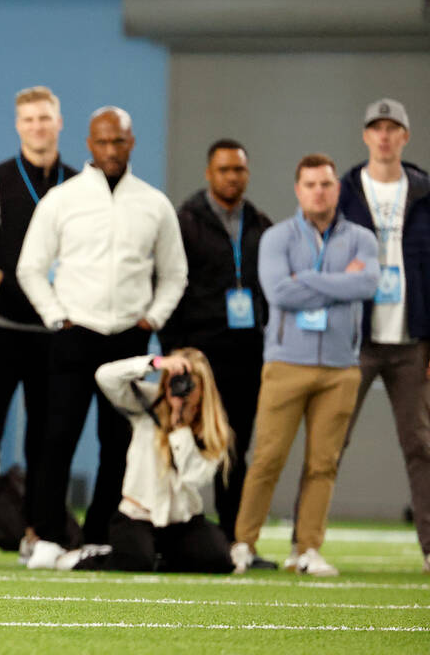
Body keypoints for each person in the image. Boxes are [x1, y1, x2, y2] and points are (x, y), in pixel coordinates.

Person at [17, 106, 187, 568]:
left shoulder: (154, 203)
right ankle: (50, 535)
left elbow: (175, 274)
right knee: (57, 438)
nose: (111, 150)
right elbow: (30, 267)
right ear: (89, 145)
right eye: (103, 142)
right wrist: (55, 316)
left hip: (129, 340)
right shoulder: (62, 199)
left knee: (118, 442)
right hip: (74, 333)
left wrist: (153, 317)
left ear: (132, 144)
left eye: (120, 141)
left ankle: (98, 534)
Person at [230, 153, 379, 577]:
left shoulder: (362, 240)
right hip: (285, 363)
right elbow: (278, 293)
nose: (319, 191)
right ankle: (244, 543)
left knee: (323, 463)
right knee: (267, 457)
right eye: (311, 184)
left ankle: (306, 549)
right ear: (298, 190)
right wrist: (338, 284)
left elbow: (366, 283)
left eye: (326, 184)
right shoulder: (277, 238)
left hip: (340, 367)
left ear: (338, 189)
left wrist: (306, 280)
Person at [303, 99, 430, 573]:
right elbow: (316, 244)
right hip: (355, 339)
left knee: (421, 445)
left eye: (392, 128)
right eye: (376, 128)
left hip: (411, 340)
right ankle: (306, 545)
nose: (383, 136)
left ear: (405, 137)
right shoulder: (345, 190)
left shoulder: (424, 192)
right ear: (364, 136)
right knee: (330, 440)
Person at [0, 85, 79, 563]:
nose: (37, 127)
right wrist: (4, 281)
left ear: (59, 122)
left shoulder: (77, 182)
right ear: (18, 125)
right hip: (0, 325)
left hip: (55, 329)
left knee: (47, 435)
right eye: (28, 119)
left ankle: (35, 530)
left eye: (45, 118)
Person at [159, 140, 274, 565]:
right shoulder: (185, 220)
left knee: (236, 449)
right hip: (197, 356)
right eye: (224, 169)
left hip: (246, 352)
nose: (232, 177)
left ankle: (232, 541)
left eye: (239, 170)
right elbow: (170, 283)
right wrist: (173, 354)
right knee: (180, 441)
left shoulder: (260, 223)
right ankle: (169, 537)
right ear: (209, 173)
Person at [66, 349, 235, 573]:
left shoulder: (212, 430)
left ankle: (161, 559)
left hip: (182, 521)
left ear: (204, 389)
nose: (181, 390)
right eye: (175, 381)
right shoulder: (147, 405)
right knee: (137, 562)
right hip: (136, 516)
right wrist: (156, 362)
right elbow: (105, 376)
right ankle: (99, 556)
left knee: (218, 559)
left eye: (189, 384)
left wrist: (180, 428)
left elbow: (194, 478)